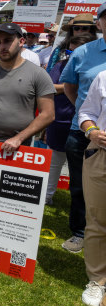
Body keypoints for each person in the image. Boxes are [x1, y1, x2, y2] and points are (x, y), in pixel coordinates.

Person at [59, 3, 106, 254]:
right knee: (79, 186)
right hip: (82, 133)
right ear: (99, 23)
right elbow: (69, 87)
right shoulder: (83, 53)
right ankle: (79, 233)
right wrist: (84, 113)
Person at [0, 22, 55, 152]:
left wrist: (19, 138)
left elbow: (48, 114)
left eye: (8, 41)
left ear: (21, 41)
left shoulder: (38, 74)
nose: (2, 46)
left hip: (19, 149)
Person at [45, 34, 95, 206]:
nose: (72, 57)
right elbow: (48, 86)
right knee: (54, 162)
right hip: (59, 123)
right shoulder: (60, 65)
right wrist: (70, 86)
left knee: (83, 169)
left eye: (77, 53)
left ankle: (84, 204)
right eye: (69, 52)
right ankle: (47, 196)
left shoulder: (95, 69)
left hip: (85, 127)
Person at [77, 69, 106, 306]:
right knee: (97, 220)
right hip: (102, 155)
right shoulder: (104, 76)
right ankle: (97, 279)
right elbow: (86, 112)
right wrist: (92, 131)